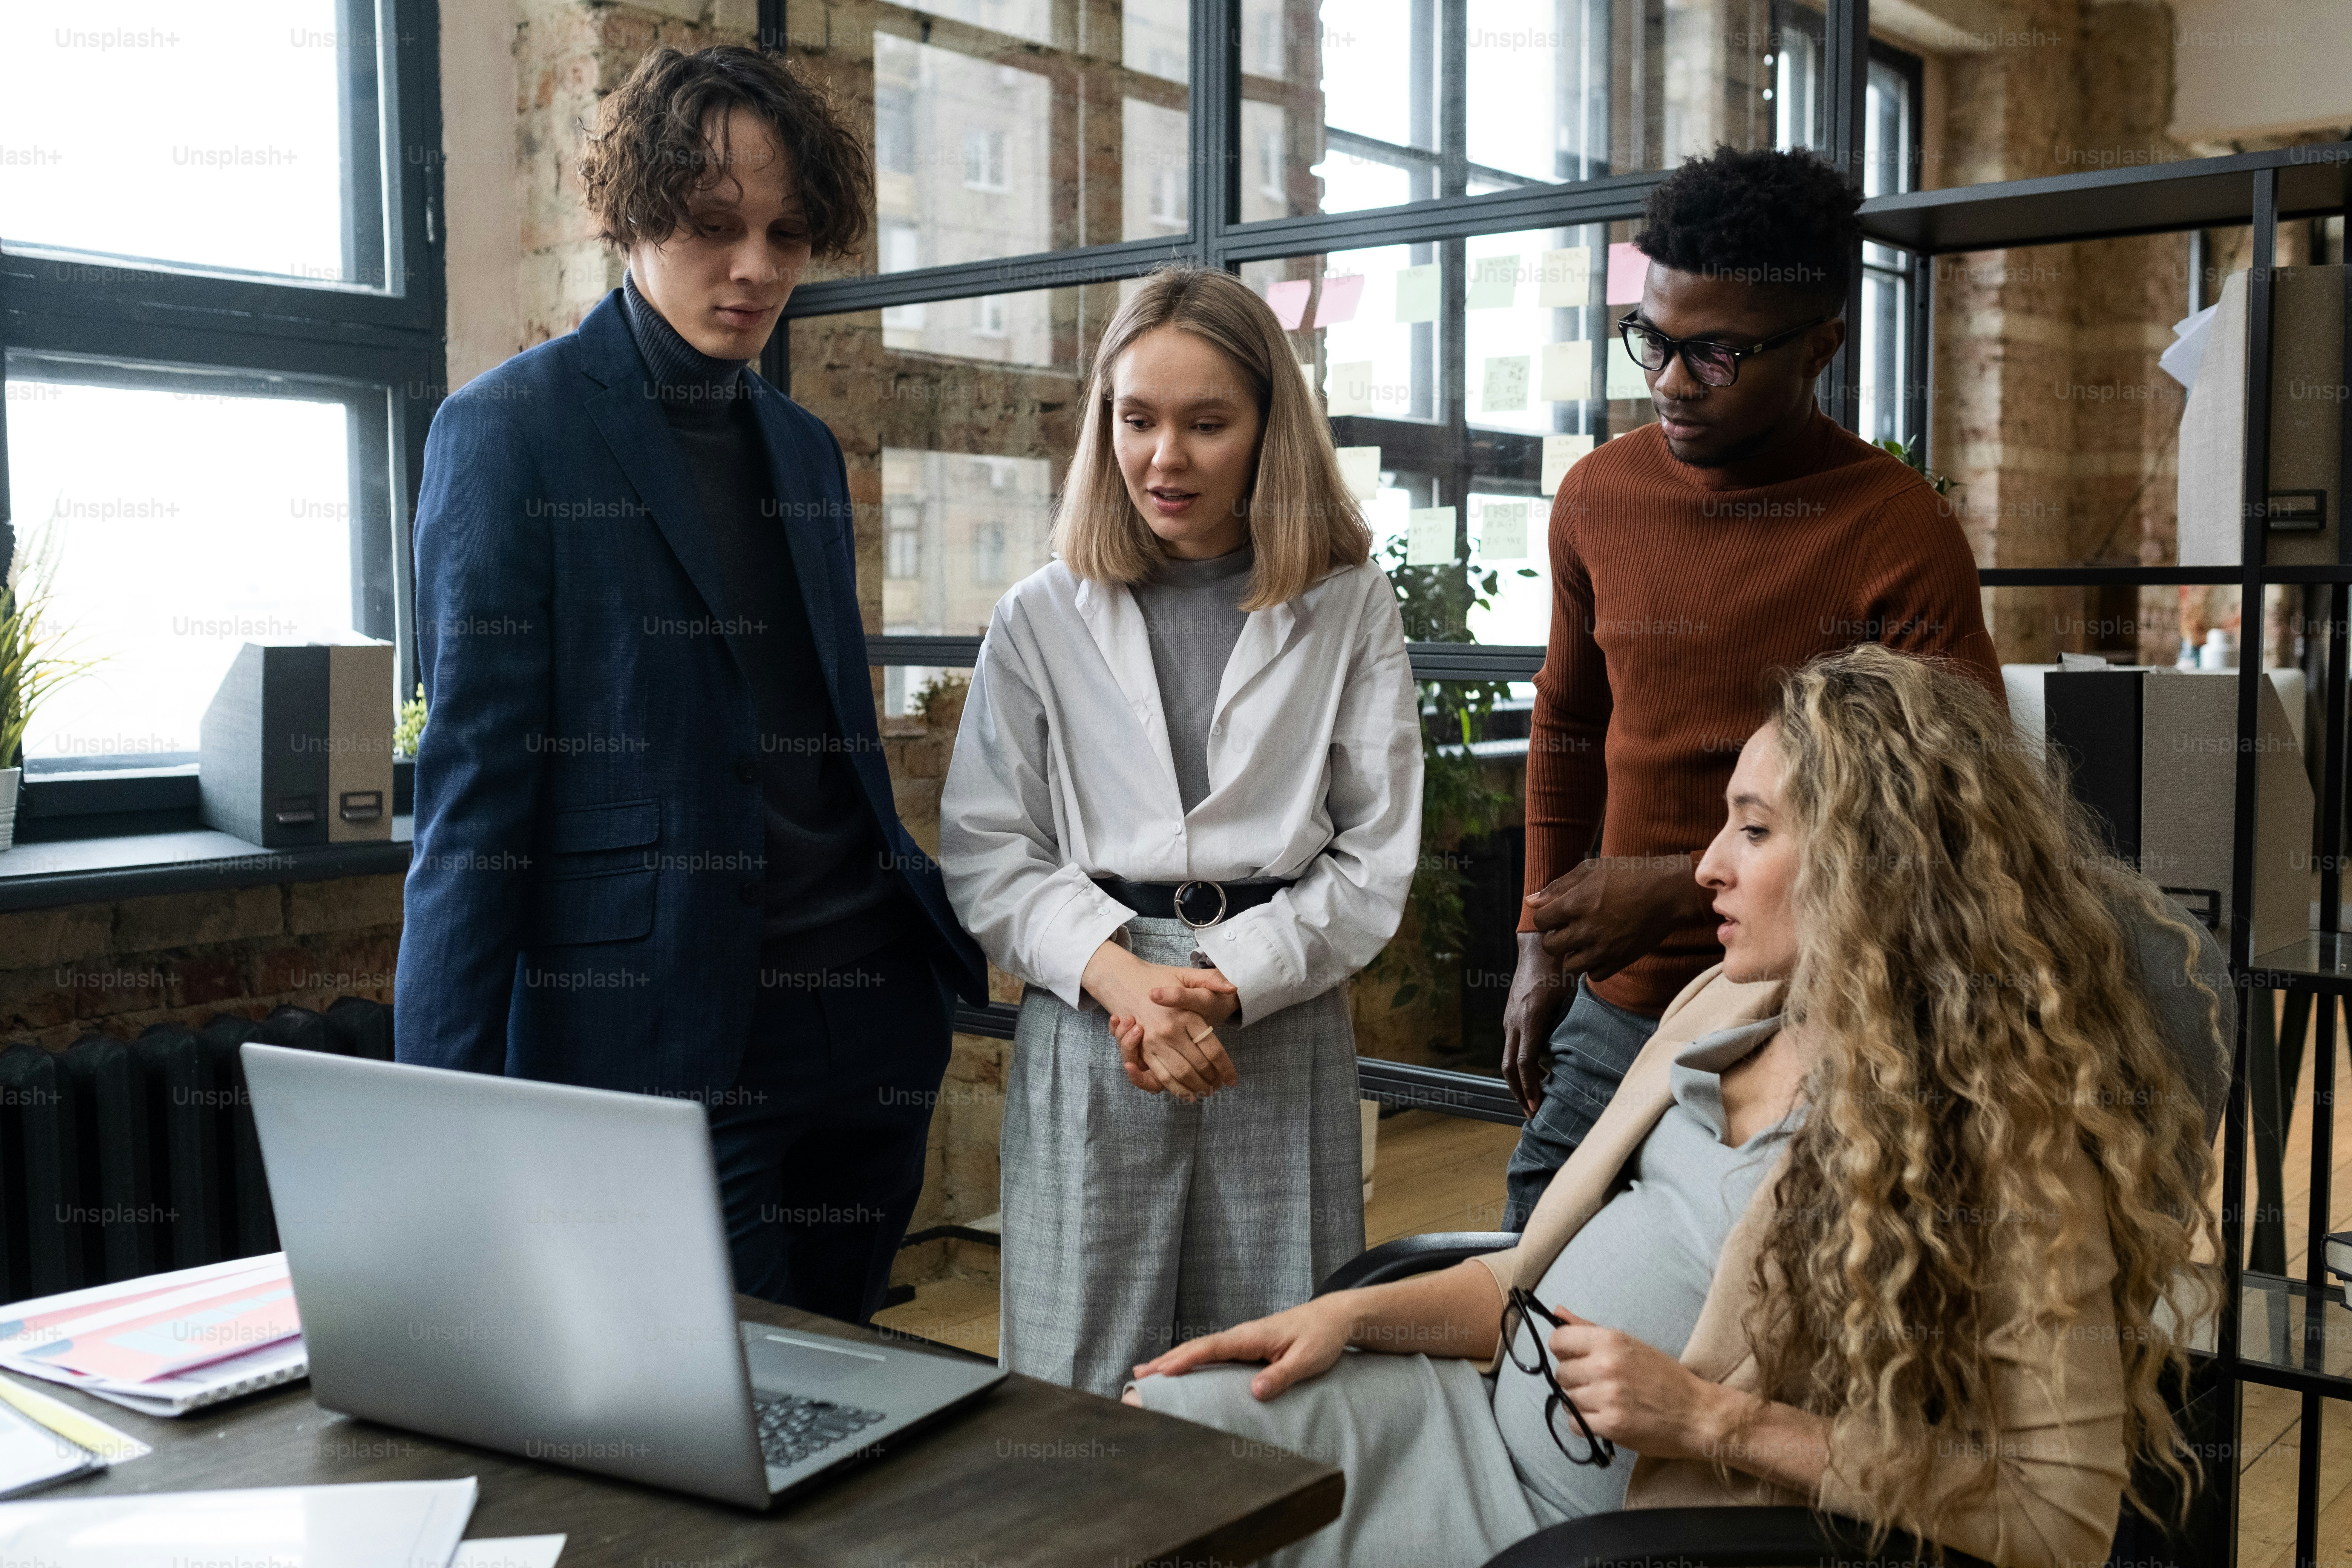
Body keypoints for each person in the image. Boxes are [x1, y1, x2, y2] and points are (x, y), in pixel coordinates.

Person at [1125, 645, 2221, 1568]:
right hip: (1460, 1423)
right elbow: (1524, 1285)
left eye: (1753, 830)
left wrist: (1718, 1423)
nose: (1705, 867)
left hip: (1613, 1537)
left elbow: (2060, 1517)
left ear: (1874, 862)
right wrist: (1347, 1317)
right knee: (1170, 1436)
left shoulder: (1995, 1138)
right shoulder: (1720, 1007)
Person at [394, 45, 986, 1322]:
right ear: (634, 211)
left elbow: (826, 736)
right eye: (716, 229)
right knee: (714, 1430)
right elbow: (475, 804)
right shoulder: (509, 432)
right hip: (666, 1041)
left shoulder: (804, 449)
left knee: (846, 1398)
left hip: (872, 1027)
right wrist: (433, 1130)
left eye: (785, 233)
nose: (758, 267)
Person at [1498, 145, 2009, 1229]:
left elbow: (1945, 824)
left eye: (1717, 355)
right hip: (1621, 1003)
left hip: (1815, 1020)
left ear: (1821, 344)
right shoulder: (1598, 496)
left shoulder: (1898, 530)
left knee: (1730, 1332)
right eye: (1656, 342)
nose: (1673, 384)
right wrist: (1539, 944)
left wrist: (1679, 888)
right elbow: (1569, 720)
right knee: (1525, 1289)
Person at [940, 266, 1422, 1398]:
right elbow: (989, 850)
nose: (1167, 458)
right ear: (1104, 420)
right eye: (1138, 419)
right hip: (1096, 999)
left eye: (1209, 424)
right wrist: (1128, 986)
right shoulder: (1039, 616)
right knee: (1077, 1380)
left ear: (1269, 432)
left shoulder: (1348, 600)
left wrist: (1224, 984)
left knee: (1272, 1377)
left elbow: (1375, 853)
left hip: (1276, 1008)